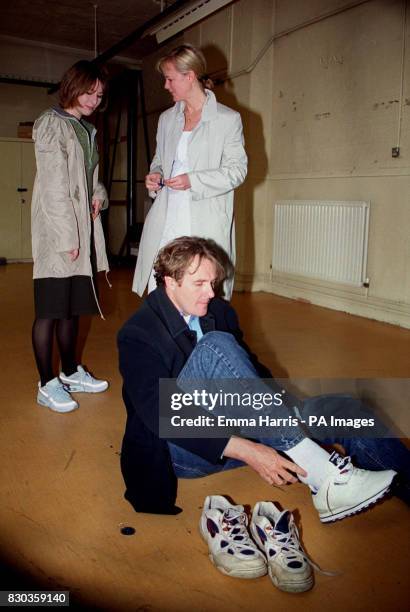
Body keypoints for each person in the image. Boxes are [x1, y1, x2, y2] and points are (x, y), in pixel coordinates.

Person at [118, 236, 410, 590]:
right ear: (169, 281)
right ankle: (324, 477)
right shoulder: (138, 333)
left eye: (214, 282)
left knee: (344, 410)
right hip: (182, 448)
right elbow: (159, 413)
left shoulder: (220, 312)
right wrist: (251, 451)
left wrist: (286, 417)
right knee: (215, 348)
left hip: (245, 421)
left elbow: (250, 372)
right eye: (199, 283)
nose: (211, 293)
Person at [132, 44, 247, 299]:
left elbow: (237, 171)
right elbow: (159, 161)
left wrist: (193, 181)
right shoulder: (166, 120)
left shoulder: (227, 120)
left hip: (204, 221)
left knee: (201, 298)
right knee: (161, 294)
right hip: (167, 219)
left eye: (170, 78)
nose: (165, 85)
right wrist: (155, 175)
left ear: (190, 76)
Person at [31, 60, 110, 414]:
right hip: (58, 233)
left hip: (81, 230)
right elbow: (53, 190)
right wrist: (67, 238)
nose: (94, 100)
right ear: (72, 85)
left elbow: (91, 180)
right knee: (50, 309)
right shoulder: (51, 124)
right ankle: (46, 383)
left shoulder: (86, 130)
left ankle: (69, 372)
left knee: (71, 308)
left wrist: (99, 195)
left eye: (99, 95)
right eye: (89, 92)